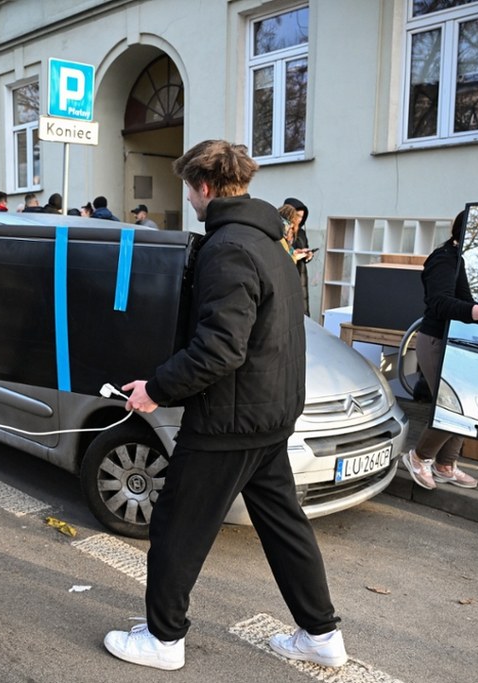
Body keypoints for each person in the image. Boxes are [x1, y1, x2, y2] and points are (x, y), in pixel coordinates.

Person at [104, 140, 347, 671]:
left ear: (204, 186)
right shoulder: (271, 241)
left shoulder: (228, 248)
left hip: (227, 421)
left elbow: (220, 348)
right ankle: (322, 634)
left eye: (189, 190)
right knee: (284, 526)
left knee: (176, 528)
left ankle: (163, 640)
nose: (189, 200)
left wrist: (156, 388)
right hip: (269, 414)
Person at [402, 211, 478, 490]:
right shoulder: (444, 259)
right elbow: (440, 302)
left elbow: (466, 299)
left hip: (460, 343)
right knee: (452, 407)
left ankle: (445, 465)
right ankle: (418, 457)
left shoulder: (467, 260)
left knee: (468, 405)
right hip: (437, 342)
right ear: (467, 231)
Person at [282, 197, 315, 316]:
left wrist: (308, 255)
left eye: (302, 217)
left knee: (301, 306)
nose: (299, 219)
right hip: (286, 271)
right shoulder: (282, 230)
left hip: (300, 271)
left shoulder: (301, 233)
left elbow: (305, 247)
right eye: (297, 216)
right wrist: (294, 253)